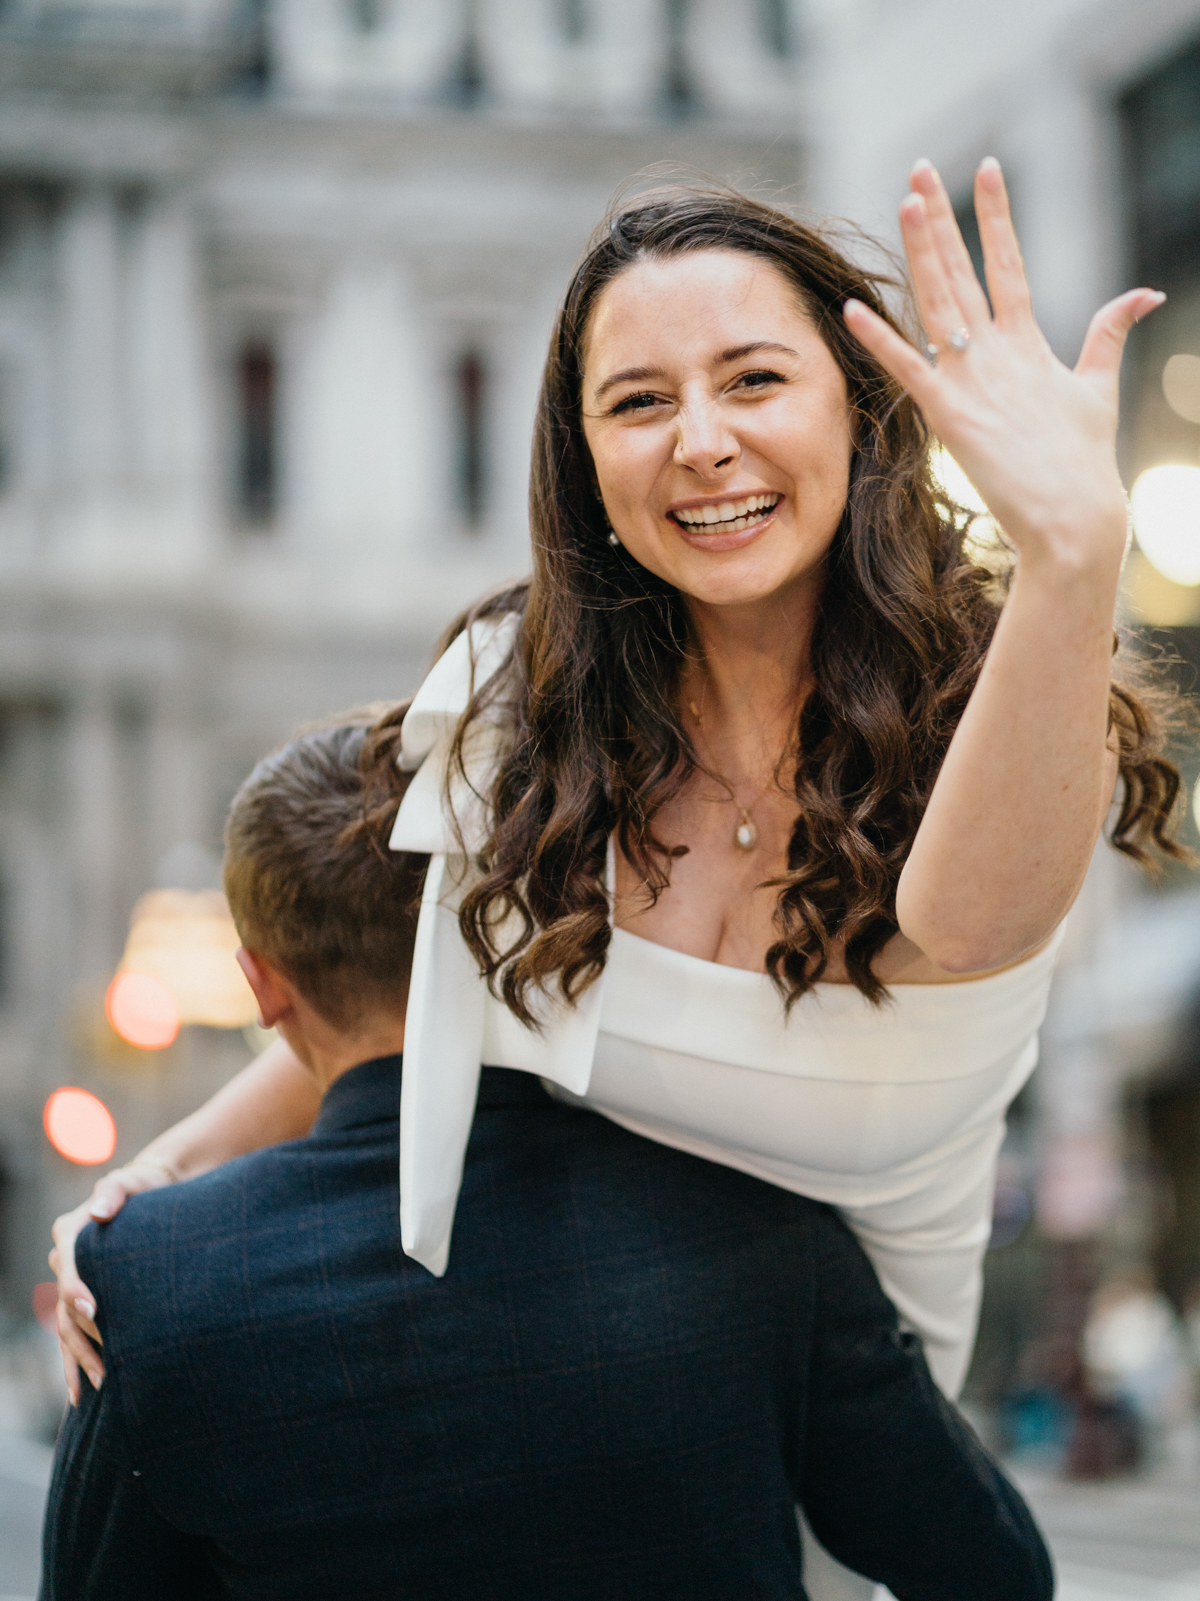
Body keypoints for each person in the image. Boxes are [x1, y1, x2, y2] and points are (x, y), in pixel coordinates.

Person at [51, 164, 1186, 1596]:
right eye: (639, 402)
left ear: (855, 406)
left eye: (754, 380)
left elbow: (966, 926)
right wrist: (142, 1188)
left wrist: (1072, 554)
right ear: (582, 457)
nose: (701, 443)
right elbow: (409, 1001)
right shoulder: (505, 709)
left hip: (859, 1444)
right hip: (575, 1430)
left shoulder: (1001, 699)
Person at [41, 714, 1055, 1601]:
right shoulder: (754, 1217)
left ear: (261, 988)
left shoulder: (150, 1286)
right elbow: (992, 1570)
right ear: (509, 914)